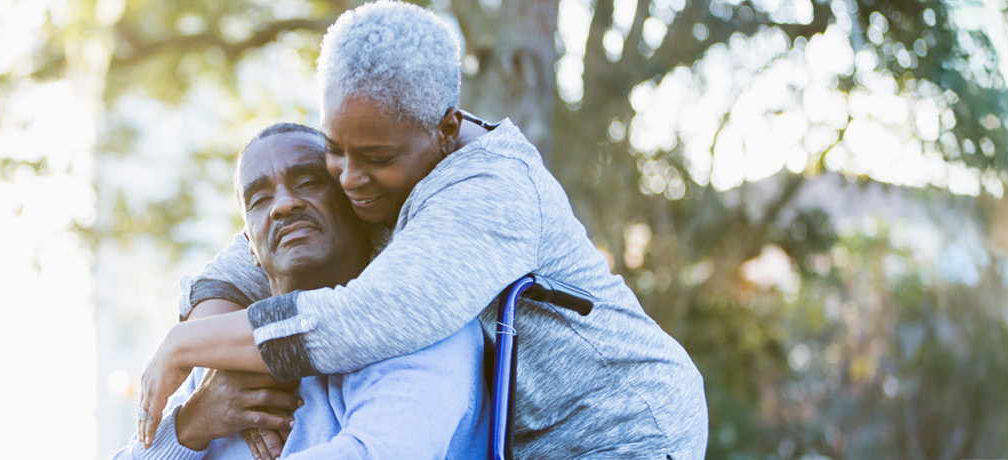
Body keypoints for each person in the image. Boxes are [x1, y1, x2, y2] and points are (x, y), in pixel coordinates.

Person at [138, 2, 709, 458]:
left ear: (446, 129)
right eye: (335, 151)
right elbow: (248, 256)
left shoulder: (490, 192)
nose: (350, 179)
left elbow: (363, 320)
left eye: (375, 157)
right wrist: (207, 382)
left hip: (623, 427)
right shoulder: (369, 167)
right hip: (523, 439)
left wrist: (187, 346)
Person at [115, 123, 488, 460]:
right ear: (249, 247)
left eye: (308, 182)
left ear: (357, 205)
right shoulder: (222, 352)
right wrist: (191, 425)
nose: (283, 205)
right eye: (260, 199)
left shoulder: (418, 315)